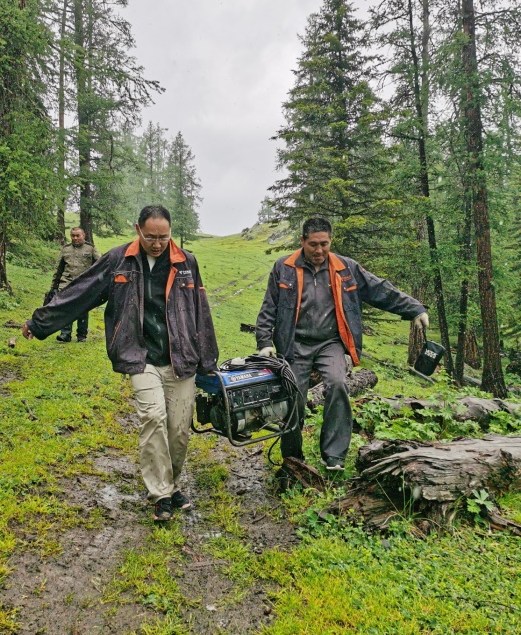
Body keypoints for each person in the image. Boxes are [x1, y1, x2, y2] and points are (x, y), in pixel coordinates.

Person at [22, 206, 218, 521]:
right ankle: (160, 495)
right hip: (138, 354)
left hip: (181, 358)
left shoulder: (186, 263)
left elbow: (201, 312)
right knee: (153, 417)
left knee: (179, 429)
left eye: (163, 237)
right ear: (138, 230)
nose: (157, 243)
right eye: (151, 237)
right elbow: (80, 293)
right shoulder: (118, 260)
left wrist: (208, 362)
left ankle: (171, 484)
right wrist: (40, 322)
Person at [255, 216, 428, 471]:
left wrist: (414, 308)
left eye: (324, 244)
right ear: (302, 241)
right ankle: (292, 459)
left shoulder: (345, 268)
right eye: (313, 244)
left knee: (337, 384)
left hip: (330, 343)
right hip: (294, 345)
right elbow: (269, 306)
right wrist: (264, 342)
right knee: (294, 398)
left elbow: (379, 289)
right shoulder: (285, 267)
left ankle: (333, 456)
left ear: (330, 241)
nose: (319, 250)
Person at [51, 227, 101, 342]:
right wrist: (54, 286)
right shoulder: (65, 249)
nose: (75, 238)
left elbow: (100, 265)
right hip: (67, 283)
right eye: (73, 235)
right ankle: (65, 334)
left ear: (83, 236)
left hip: (84, 283)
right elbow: (58, 269)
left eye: (78, 235)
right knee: (66, 308)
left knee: (82, 309)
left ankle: (81, 335)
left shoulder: (91, 249)